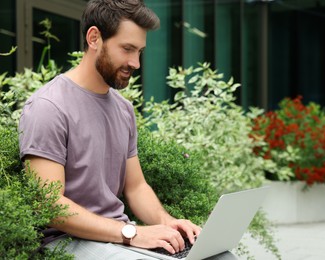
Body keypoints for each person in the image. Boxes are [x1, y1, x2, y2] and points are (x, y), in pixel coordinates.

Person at [18, 0, 211, 259]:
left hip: (119, 239)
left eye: (139, 51)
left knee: (219, 256)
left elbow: (136, 187)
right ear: (94, 38)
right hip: (66, 243)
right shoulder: (48, 106)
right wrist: (131, 233)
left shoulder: (123, 109)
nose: (136, 63)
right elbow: (49, 205)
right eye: (127, 49)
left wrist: (167, 223)